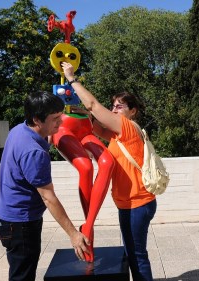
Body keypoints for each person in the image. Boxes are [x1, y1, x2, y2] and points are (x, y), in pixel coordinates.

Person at [61, 62, 157, 281]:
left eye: (120, 106)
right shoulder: (116, 134)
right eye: (113, 106)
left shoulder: (128, 127)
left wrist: (71, 78)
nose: (114, 110)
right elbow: (93, 123)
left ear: (133, 111)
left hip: (138, 204)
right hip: (129, 204)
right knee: (133, 253)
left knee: (137, 255)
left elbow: (94, 106)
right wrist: (79, 112)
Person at [0, 91, 90, 281]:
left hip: (8, 217)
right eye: (55, 119)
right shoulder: (34, 153)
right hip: (21, 225)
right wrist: (73, 234)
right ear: (37, 120)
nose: (60, 123)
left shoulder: (19, 130)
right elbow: (48, 197)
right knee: (23, 275)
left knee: (20, 269)